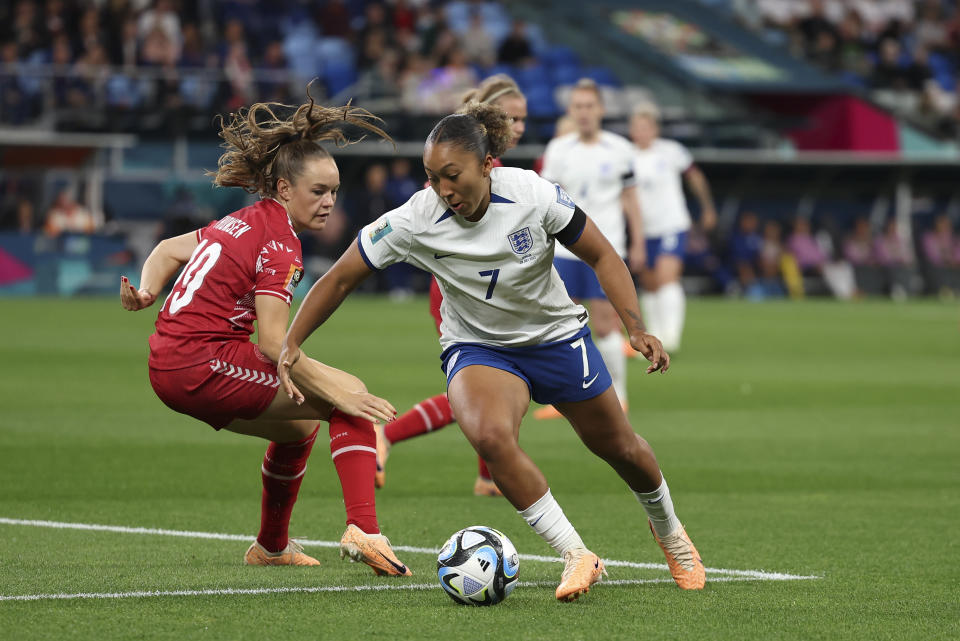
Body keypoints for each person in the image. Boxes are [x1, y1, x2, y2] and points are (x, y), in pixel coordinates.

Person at [278, 102, 705, 600]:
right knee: (490, 436)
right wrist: (291, 343)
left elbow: (601, 254)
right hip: (479, 347)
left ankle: (671, 533)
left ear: (487, 165)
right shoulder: (414, 218)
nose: (443, 190)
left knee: (620, 448)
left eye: (452, 176)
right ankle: (577, 554)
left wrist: (635, 327)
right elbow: (339, 279)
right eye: (432, 177)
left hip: (556, 336)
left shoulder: (531, 193)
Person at [119, 89, 411, 576]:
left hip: (171, 361)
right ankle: (365, 529)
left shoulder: (241, 221)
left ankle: (271, 547)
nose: (329, 202)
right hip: (201, 363)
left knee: (298, 429)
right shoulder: (280, 243)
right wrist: (338, 389)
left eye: (334, 191)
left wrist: (149, 292)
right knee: (350, 396)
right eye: (317, 192)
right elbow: (273, 345)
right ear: (282, 189)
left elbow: (169, 249)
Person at [376, 73, 528, 497]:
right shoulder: (462, 159)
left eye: (523, 119)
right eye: (513, 118)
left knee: (495, 383)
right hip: (460, 287)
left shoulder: (485, 162)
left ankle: (487, 476)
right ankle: (386, 433)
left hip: (477, 283)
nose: (519, 129)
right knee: (483, 386)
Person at [536, 78, 644, 418]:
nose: (584, 112)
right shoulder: (558, 149)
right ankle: (565, 399)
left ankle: (620, 395)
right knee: (563, 324)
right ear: (571, 110)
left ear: (601, 109)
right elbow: (545, 198)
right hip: (566, 250)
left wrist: (638, 240)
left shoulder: (620, 148)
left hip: (607, 248)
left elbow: (630, 197)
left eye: (589, 106)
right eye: (578, 106)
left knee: (605, 323)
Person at [629, 101, 717, 355]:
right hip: (642, 230)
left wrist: (707, 207)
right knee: (650, 283)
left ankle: (672, 337)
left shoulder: (671, 151)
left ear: (655, 130)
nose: (642, 132)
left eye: (646, 127)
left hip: (672, 225)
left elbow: (695, 177)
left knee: (667, 278)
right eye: (637, 127)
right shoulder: (625, 155)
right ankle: (655, 338)